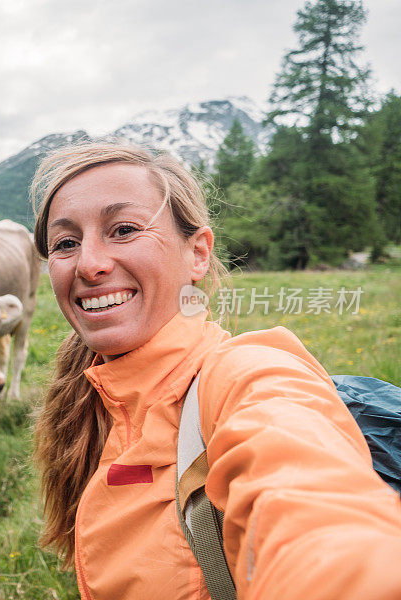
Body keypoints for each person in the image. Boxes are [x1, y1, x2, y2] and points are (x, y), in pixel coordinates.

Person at [30, 141, 401, 600]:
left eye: (124, 229)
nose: (89, 263)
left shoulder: (247, 376)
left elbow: (313, 512)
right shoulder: (91, 403)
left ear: (198, 254)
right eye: (66, 243)